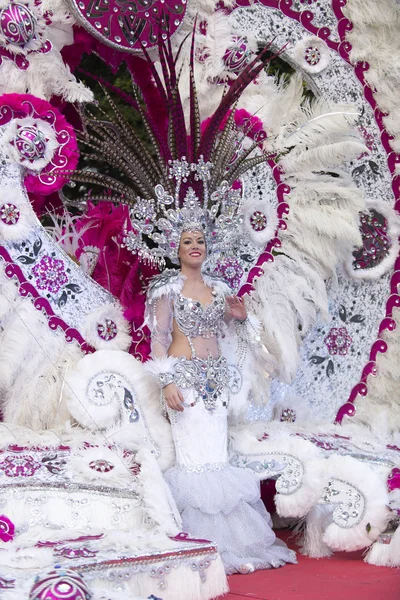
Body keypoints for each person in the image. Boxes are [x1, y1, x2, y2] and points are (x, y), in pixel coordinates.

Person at [145, 228, 297, 574]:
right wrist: (166, 380)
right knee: (195, 465)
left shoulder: (219, 290)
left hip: (218, 383)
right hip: (185, 384)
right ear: (176, 249)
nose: (195, 246)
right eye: (188, 241)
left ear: (208, 247)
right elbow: (158, 338)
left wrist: (242, 318)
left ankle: (233, 542)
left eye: (200, 241)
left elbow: (240, 337)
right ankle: (198, 544)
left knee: (217, 461)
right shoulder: (165, 290)